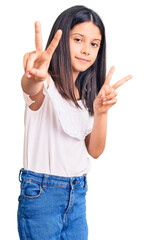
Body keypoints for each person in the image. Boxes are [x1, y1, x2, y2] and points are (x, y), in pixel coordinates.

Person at [17, 5, 132, 240]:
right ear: (61, 40)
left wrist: (100, 112)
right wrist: (34, 75)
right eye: (78, 39)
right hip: (42, 194)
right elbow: (32, 88)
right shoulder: (46, 84)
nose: (86, 50)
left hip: (78, 194)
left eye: (94, 44)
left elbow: (95, 151)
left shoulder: (89, 95)